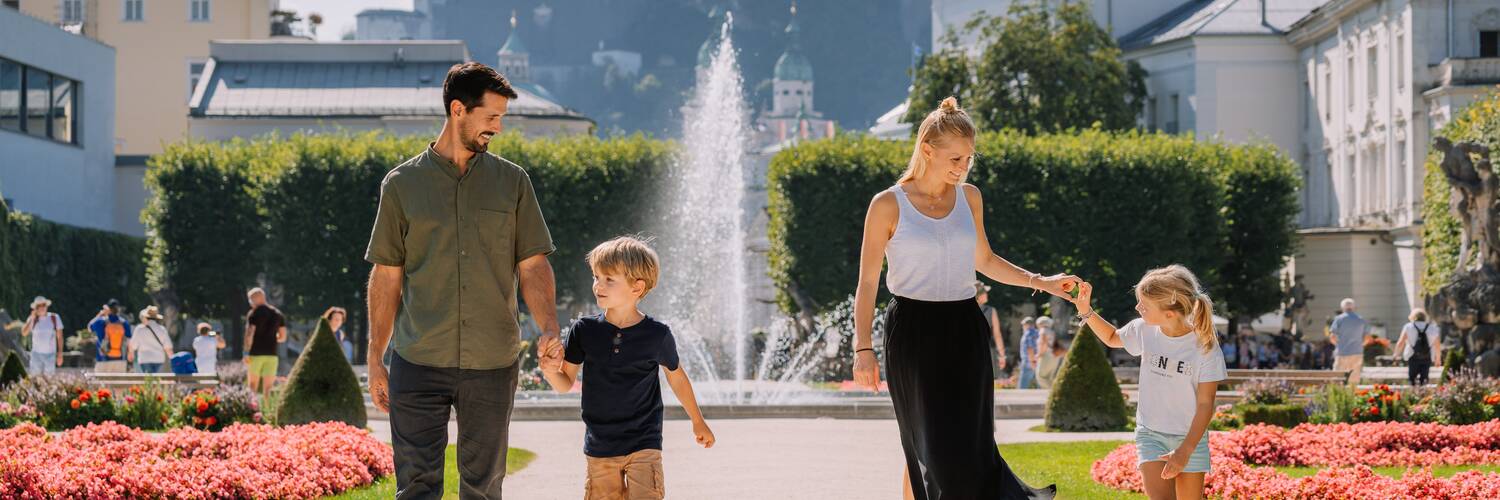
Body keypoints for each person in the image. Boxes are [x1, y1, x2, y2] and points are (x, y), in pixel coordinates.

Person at [850, 97, 1063, 499]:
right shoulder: (887, 205)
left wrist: (1042, 281)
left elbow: (985, 260)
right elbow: (867, 282)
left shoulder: (970, 198)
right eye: (955, 158)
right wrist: (863, 348)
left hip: (965, 327)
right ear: (927, 149)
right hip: (913, 332)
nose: (963, 167)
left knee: (968, 443)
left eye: (968, 158)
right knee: (925, 441)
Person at [365, 62, 559, 499]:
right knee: (416, 488)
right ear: (458, 110)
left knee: (484, 489)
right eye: (491, 116)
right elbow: (387, 275)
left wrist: (549, 327)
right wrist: (376, 356)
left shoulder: (513, 182)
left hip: (492, 362)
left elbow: (533, 265)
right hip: (418, 359)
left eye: (501, 118)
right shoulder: (401, 185)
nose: (498, 127)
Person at [539, 237, 714, 499]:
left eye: (609, 279)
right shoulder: (584, 330)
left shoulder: (657, 334)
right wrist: (550, 370)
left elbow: (677, 378)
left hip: (644, 441)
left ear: (637, 287)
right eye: (596, 277)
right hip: (600, 444)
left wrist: (698, 421)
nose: (598, 285)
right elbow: (565, 384)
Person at [1069, 265, 1226, 500]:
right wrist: (1085, 310)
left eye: (1143, 305)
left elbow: (1206, 404)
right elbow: (1111, 337)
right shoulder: (1143, 330)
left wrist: (1185, 451)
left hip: (1190, 439)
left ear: (1169, 314)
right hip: (1150, 434)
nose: (1137, 308)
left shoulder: (1205, 347)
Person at [242, 287, 286, 401]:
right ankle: (267, 410)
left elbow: (249, 334)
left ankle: (251, 409)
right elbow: (283, 337)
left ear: (254, 299)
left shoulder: (253, 313)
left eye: (250, 300)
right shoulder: (278, 314)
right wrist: (271, 338)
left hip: (255, 354)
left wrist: (245, 352)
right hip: (272, 355)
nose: (250, 303)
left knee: (252, 387)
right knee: (268, 389)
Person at [1393, 308, 1440, 386]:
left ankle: (1412, 392)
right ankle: (1423, 393)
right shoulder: (1433, 328)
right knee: (1424, 380)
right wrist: (1438, 359)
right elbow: (1437, 345)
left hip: (1412, 356)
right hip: (1427, 357)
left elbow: (1401, 342)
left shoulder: (1408, 327)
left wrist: (1395, 355)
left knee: (1411, 379)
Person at [1328, 298, 1368, 385]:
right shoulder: (1361, 319)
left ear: (1342, 308)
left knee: (1337, 377)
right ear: (1354, 307)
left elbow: (1332, 336)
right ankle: (1352, 392)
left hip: (1342, 352)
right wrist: (1360, 345)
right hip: (1357, 352)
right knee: (1355, 377)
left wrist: (1338, 345)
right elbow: (1366, 338)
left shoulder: (1339, 319)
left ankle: (1338, 393)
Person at [20, 296, 63, 374]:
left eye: (43, 305)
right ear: (35, 308)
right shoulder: (33, 319)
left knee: (49, 378)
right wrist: (31, 318)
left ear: (46, 306)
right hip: (36, 354)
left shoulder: (54, 317)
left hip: (50, 354)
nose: (41, 307)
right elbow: (24, 333)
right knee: (35, 377)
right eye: (39, 306)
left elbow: (59, 337)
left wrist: (60, 354)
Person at [975, 282, 1008, 382]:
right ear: (978, 295)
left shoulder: (963, 310)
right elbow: (997, 335)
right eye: (985, 292)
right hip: (986, 350)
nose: (987, 294)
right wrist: (1002, 355)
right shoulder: (991, 311)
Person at [88, 299, 131, 373]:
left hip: (102, 359)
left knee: (101, 380)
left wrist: (100, 314)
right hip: (120, 359)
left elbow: (89, 327)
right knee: (119, 381)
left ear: (108, 309)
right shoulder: (124, 323)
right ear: (118, 309)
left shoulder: (100, 321)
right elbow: (129, 340)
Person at [129, 306, 173, 374]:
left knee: (148, 378)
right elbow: (168, 347)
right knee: (157, 379)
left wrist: (130, 354)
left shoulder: (139, 329)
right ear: (156, 317)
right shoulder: (162, 329)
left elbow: (133, 346)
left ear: (146, 317)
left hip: (144, 359)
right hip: (159, 359)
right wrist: (172, 360)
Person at [1035, 316, 1064, 389]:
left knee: (1041, 376)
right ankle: (1054, 391)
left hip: (1047, 355)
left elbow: (1043, 342)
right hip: (1055, 356)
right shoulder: (1052, 332)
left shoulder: (1043, 330)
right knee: (1050, 377)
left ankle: (1054, 391)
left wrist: (1039, 354)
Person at [1018, 316, 1040, 389]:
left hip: (1029, 363)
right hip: (1038, 362)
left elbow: (1030, 348)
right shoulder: (1038, 332)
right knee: (1040, 386)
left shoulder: (1028, 334)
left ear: (1027, 325)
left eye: (1023, 325)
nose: (1023, 327)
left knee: (1022, 387)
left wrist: (1032, 361)